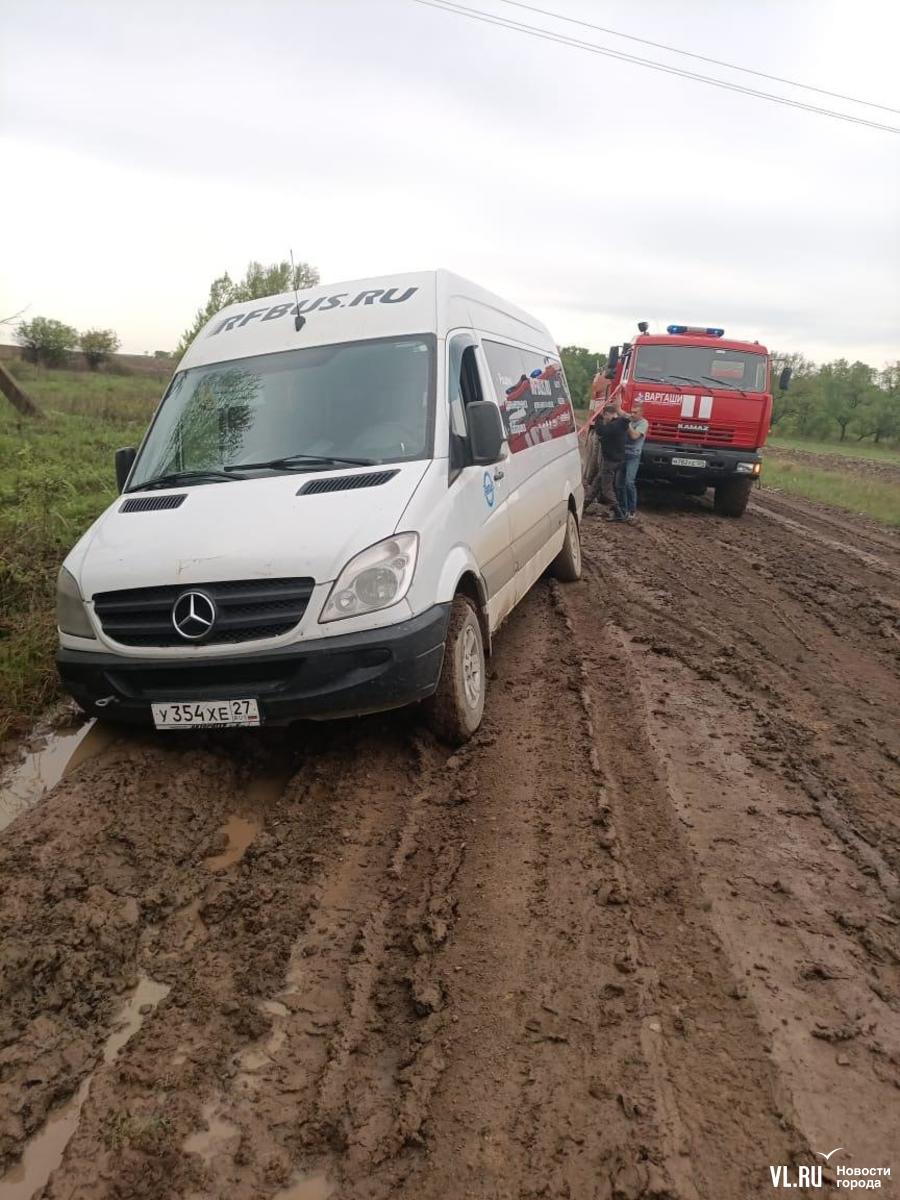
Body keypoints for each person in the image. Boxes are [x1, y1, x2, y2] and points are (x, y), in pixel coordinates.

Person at [584, 403, 630, 520]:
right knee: (597, 482)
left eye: (605, 417)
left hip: (611, 461)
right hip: (614, 460)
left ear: (608, 414)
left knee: (606, 489)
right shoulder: (620, 423)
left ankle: (619, 513)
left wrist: (598, 418)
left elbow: (600, 431)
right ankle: (584, 505)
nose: (605, 419)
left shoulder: (614, 426)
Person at [617, 401, 649, 521]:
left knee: (629, 482)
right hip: (623, 455)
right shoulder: (629, 418)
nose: (632, 414)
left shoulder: (643, 423)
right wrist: (619, 393)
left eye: (635, 412)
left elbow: (634, 436)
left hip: (633, 456)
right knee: (619, 484)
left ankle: (632, 510)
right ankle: (623, 509)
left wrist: (628, 424)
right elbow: (618, 409)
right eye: (632, 412)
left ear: (641, 413)